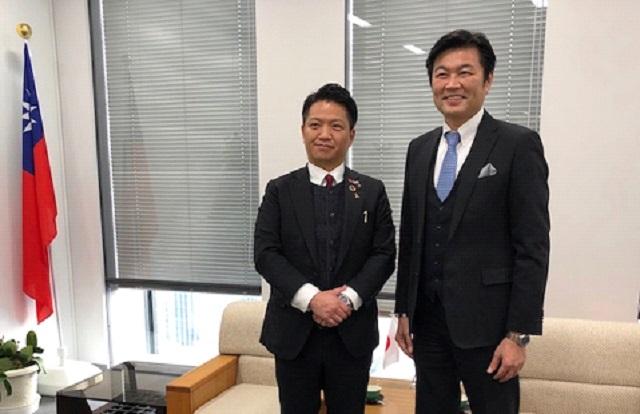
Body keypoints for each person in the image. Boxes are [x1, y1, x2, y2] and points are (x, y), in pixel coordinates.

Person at [394, 30, 550, 414]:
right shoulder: (419, 149)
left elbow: (532, 246)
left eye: (465, 72)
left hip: (490, 328)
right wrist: (403, 311)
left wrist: (518, 335)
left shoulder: (517, 145)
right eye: (442, 74)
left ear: (488, 80)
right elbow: (411, 236)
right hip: (428, 324)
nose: (452, 84)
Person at [254, 83, 396, 414]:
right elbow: (266, 254)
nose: (324, 134)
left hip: (352, 334)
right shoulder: (279, 191)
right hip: (294, 335)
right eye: (315, 125)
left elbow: (384, 254)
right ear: (303, 130)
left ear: (351, 135)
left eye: (336, 126)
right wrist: (313, 299)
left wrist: (346, 300)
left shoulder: (372, 192)